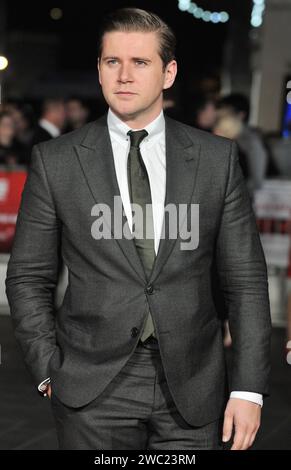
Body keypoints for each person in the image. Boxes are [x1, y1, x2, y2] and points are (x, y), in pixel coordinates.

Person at [6, 8, 272, 450]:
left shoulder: (215, 159)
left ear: (168, 73)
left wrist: (248, 389)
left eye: (140, 62)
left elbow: (244, 279)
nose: (124, 75)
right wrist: (48, 367)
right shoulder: (57, 161)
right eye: (113, 62)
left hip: (193, 385)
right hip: (90, 387)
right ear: (99, 69)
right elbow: (27, 275)